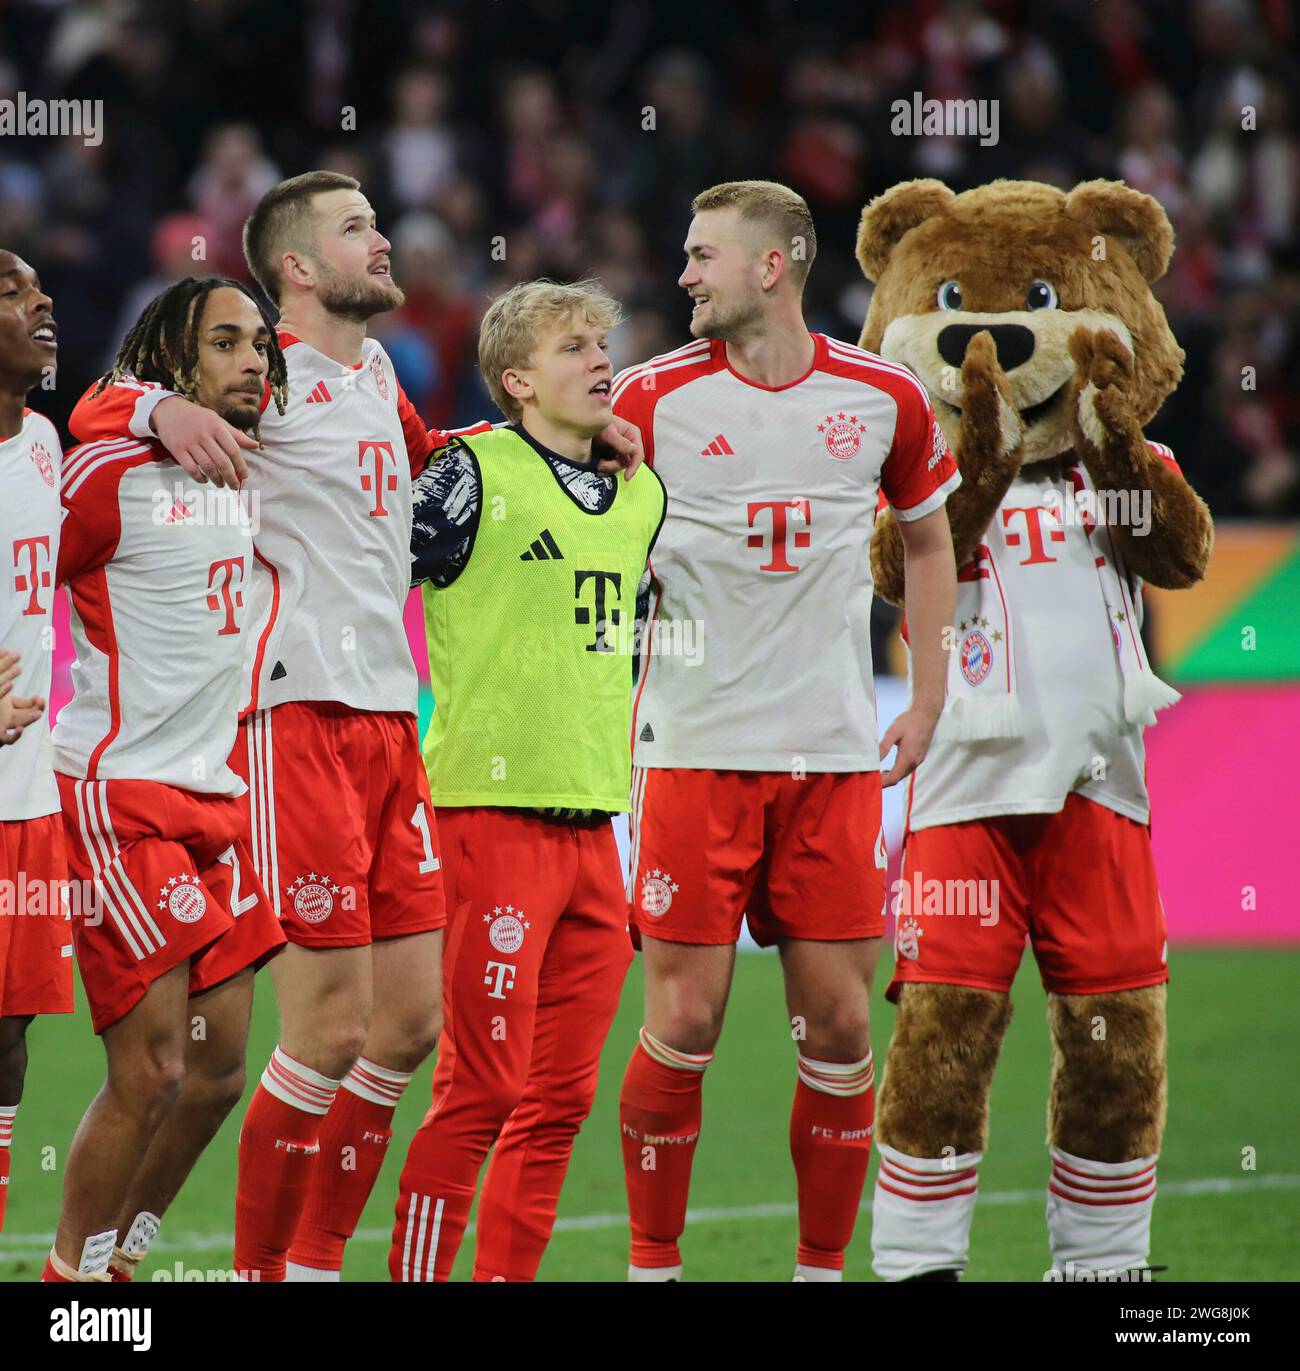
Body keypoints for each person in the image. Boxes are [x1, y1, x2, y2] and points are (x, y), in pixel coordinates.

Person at [68, 171, 643, 1281]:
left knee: (409, 1030)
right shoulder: (256, 376)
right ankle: (256, 1270)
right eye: (355, 229)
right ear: (295, 267)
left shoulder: (380, 370)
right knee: (325, 1034)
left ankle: (317, 1260)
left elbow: (442, 460)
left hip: (390, 721)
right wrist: (160, 407)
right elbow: (98, 408)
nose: (381, 241)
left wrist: (570, 435)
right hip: (294, 718)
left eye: (377, 222)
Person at [610, 181, 959, 1281]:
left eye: (702, 255)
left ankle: (818, 1271)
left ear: (772, 266)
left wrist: (931, 694)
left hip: (832, 759)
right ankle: (652, 1266)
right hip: (692, 751)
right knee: (686, 1022)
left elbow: (932, 545)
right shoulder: (647, 398)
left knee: (842, 1030)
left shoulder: (883, 399)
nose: (683, 276)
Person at [389, 278, 665, 1282]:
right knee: (481, 1091)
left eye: (603, 341)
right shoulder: (468, 473)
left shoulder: (640, 490)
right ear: (515, 381)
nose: (600, 359)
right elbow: (362, 575)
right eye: (572, 347)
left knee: (559, 1104)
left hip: (597, 829)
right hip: (486, 817)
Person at [43, 277, 287, 1282]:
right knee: (152, 1072)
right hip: (121, 797)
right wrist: (146, 405)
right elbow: (23, 560)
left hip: (216, 797)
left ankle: (116, 1265)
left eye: (260, 345)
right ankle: (68, 1285)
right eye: (224, 343)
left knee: (219, 1073)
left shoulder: (259, 459)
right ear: (171, 361)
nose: (253, 362)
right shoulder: (106, 472)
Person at [0, 250, 74, 1236]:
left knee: (8, 1040)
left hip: (26, 797)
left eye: (38, 287)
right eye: (9, 292)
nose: (39, 300)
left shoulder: (49, 443)